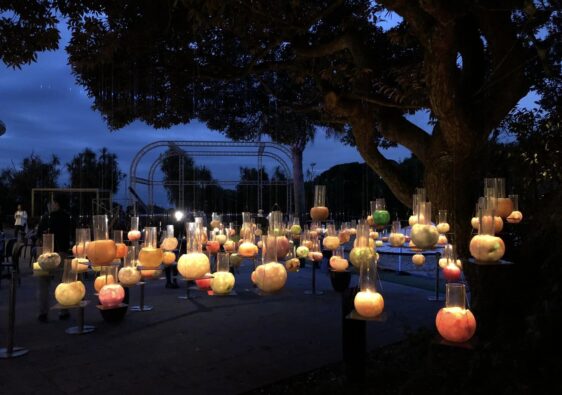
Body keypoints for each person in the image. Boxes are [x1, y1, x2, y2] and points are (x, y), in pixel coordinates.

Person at [36, 196, 72, 322]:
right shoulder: (66, 217)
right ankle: (63, 310)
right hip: (61, 253)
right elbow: (69, 235)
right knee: (62, 283)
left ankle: (43, 312)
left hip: (45, 255)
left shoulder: (46, 218)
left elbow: (38, 234)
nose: (48, 205)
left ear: (56, 204)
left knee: (43, 284)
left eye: (50, 203)